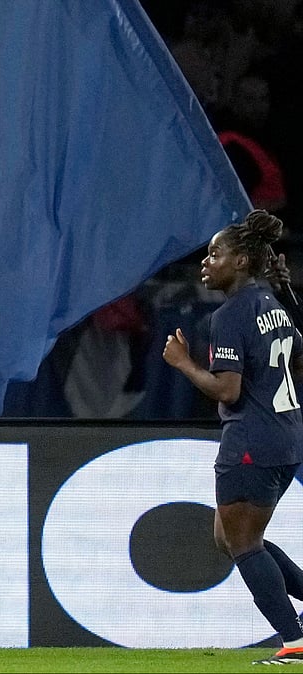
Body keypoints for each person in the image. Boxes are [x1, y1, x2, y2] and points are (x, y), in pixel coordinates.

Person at [162, 209, 303, 666]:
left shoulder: (231, 314)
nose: (206, 263)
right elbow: (298, 360)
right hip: (286, 439)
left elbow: (228, 389)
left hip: (250, 443)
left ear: (241, 261)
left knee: (243, 544)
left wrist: (183, 363)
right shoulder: (273, 305)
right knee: (231, 538)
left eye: (215, 254)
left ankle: (295, 640)